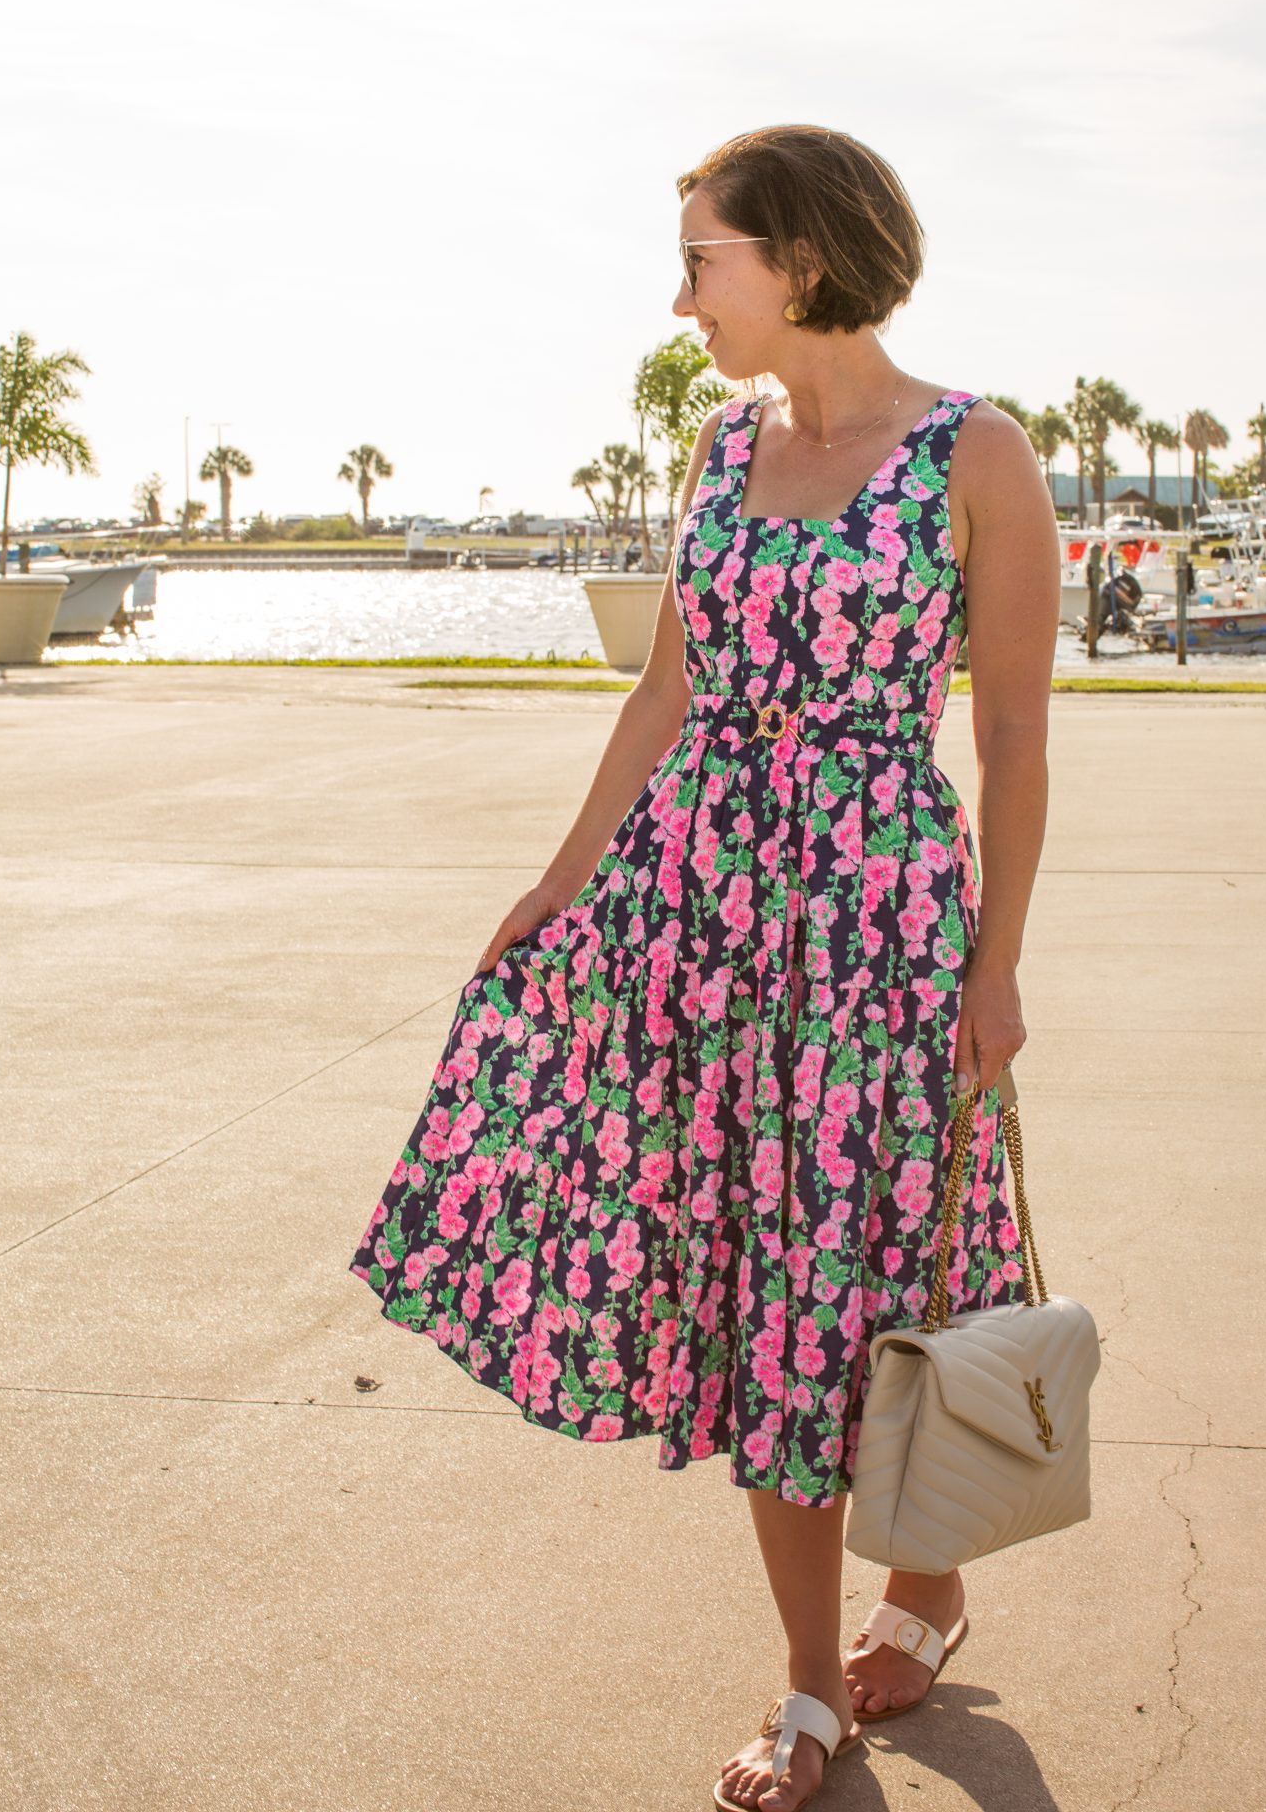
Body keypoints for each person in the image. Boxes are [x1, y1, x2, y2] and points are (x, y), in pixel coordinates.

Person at [348, 122, 1060, 1812]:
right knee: (762, 1297)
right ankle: (812, 1688)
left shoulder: (976, 452)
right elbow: (668, 688)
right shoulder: (715, 444)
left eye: (701, 261)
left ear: (801, 260)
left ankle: (932, 1582)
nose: (681, 300)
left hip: (878, 935)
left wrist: (995, 973)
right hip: (700, 919)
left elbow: (1018, 745)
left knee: (881, 1278)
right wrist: (559, 878)